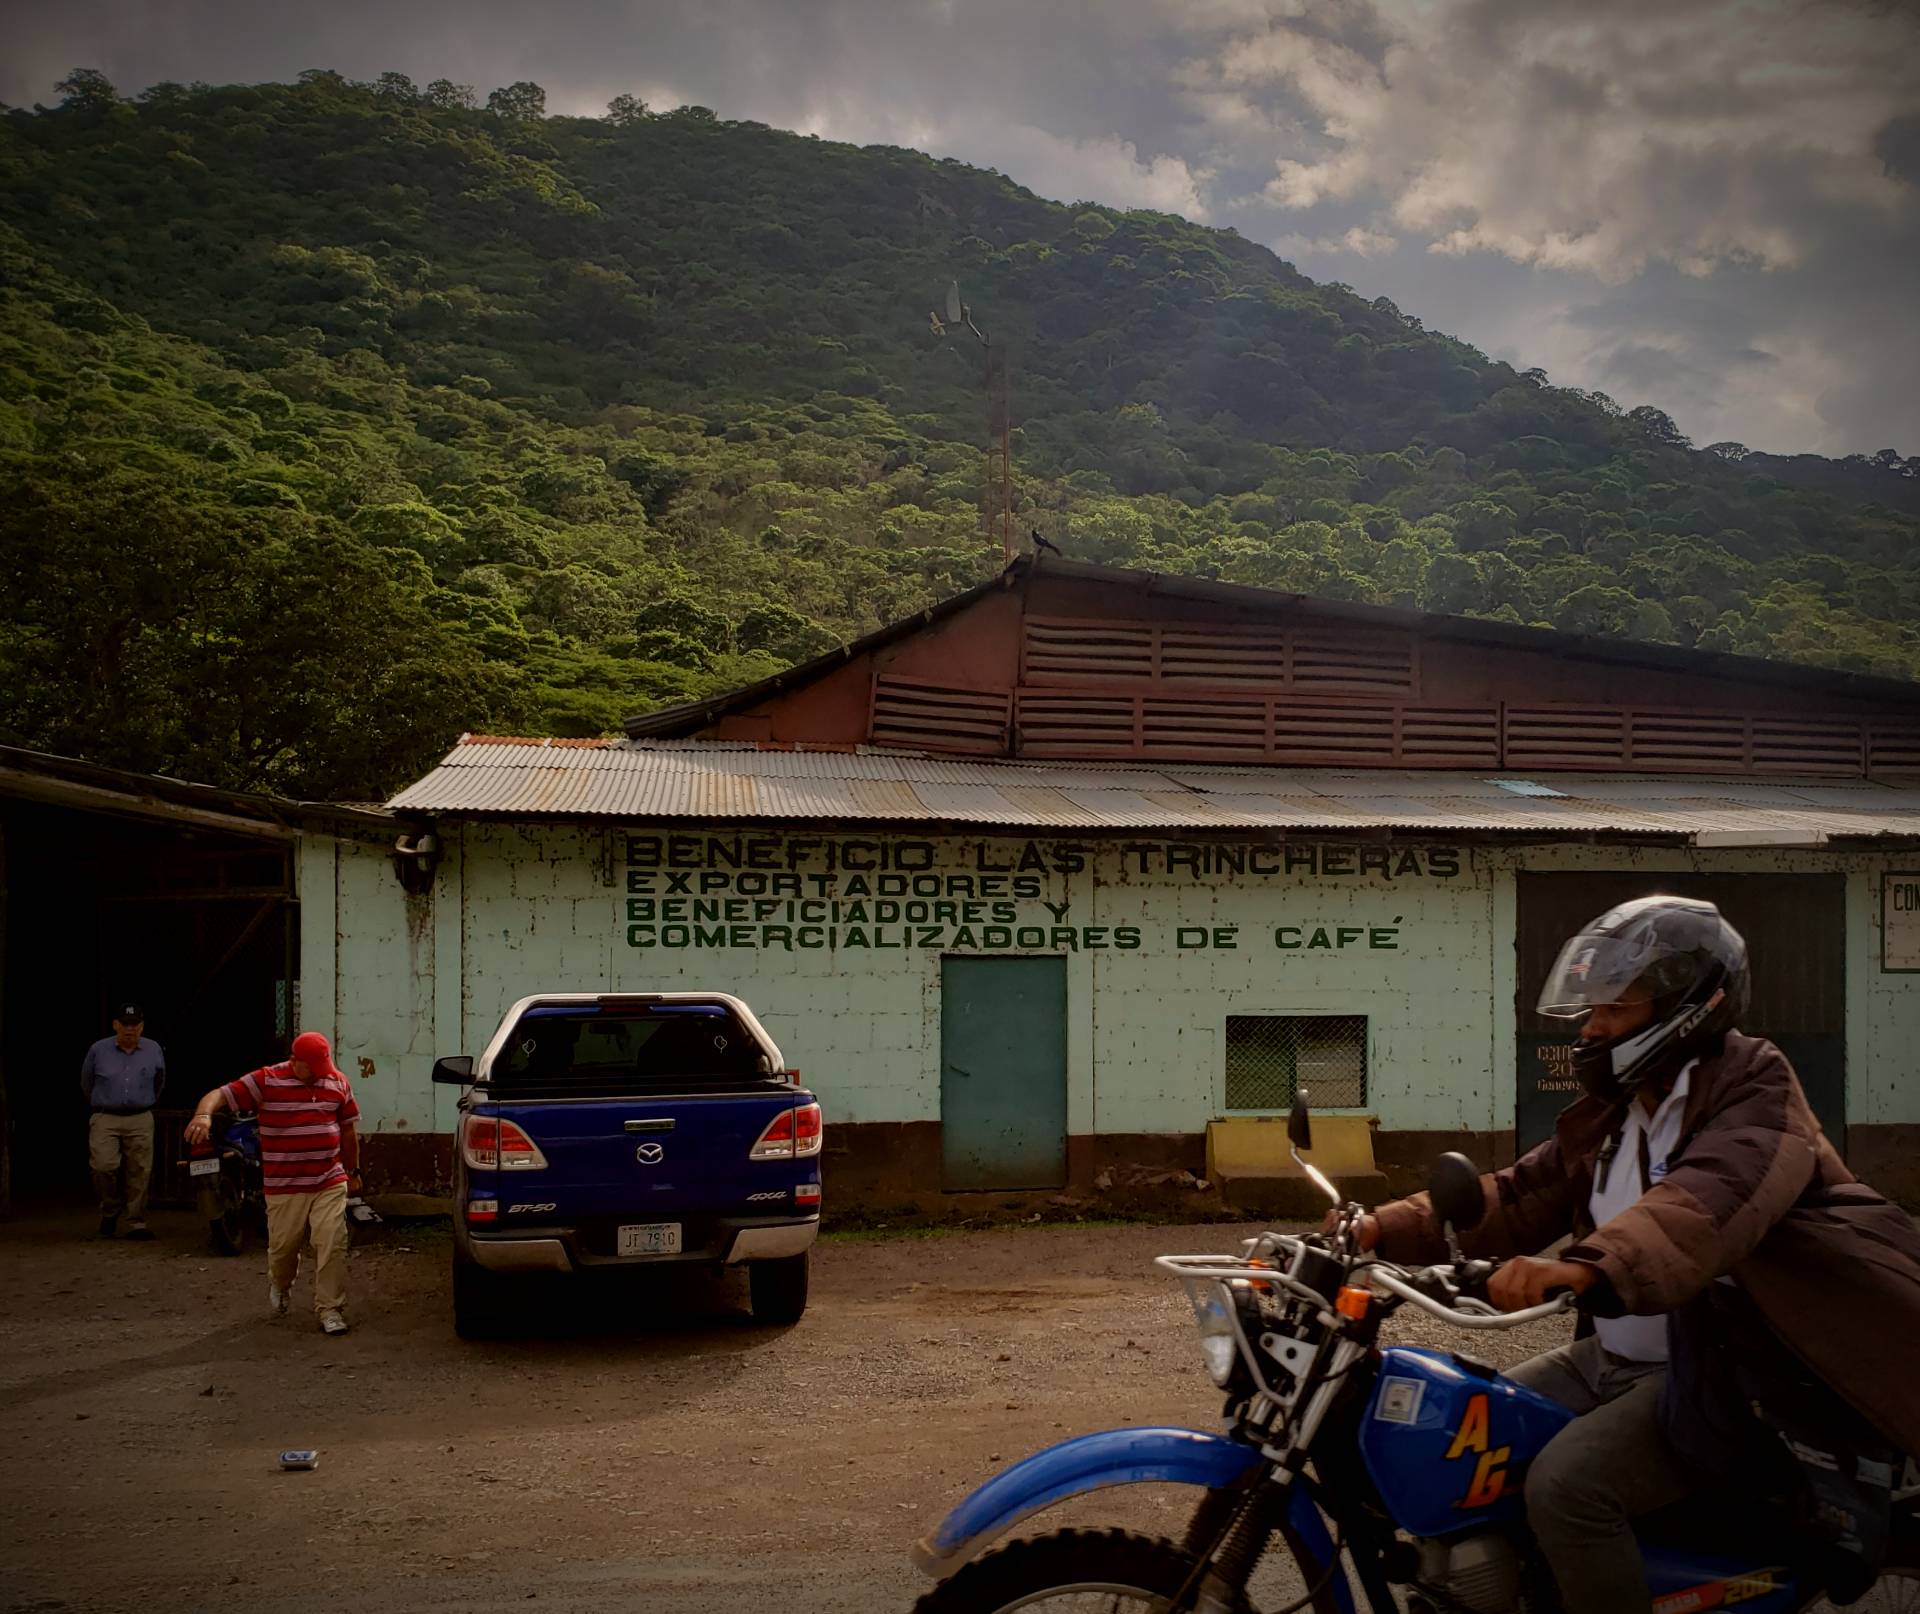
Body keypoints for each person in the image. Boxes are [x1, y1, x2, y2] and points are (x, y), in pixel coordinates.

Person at [1344, 896, 1920, 1614]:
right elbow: (1519, 1193)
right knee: (1465, 1439)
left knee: (1567, 1490)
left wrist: (1587, 1264)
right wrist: (1376, 1227)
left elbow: (1704, 1203)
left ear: (1689, 1007)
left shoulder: (1759, 1094)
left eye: (1614, 1009)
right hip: (1613, 1360)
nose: (1592, 1028)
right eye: (1592, 1010)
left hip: (1723, 1368)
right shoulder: (1619, 1112)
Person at [183, 1031, 362, 1336]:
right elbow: (220, 1094)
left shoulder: (337, 1082)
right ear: (294, 1061)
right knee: (284, 1248)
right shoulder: (266, 1080)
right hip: (285, 1185)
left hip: (328, 1179)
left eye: (324, 1067)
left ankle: (330, 1308)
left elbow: (347, 1131)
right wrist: (203, 1116)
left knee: (332, 1241)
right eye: (313, 1068)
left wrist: (353, 1171)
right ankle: (281, 1283)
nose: (320, 1075)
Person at [81, 1003, 166, 1240]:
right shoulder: (98, 1050)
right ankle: (110, 1208)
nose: (130, 1029)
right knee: (102, 1166)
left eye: (134, 1024)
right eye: (125, 1024)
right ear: (115, 1025)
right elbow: (86, 1083)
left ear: (141, 1026)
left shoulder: (153, 1049)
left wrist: (144, 1101)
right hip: (105, 1115)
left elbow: (160, 1081)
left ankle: (136, 1220)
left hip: (140, 1115)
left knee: (140, 1170)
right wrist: (103, 1103)